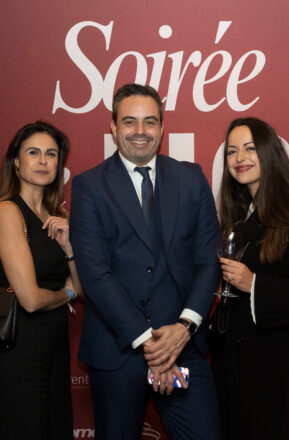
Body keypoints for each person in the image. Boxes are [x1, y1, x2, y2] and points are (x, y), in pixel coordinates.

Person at [70, 83, 222, 440]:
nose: (140, 131)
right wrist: (153, 347)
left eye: (150, 122)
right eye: (130, 121)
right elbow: (96, 275)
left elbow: (208, 261)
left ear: (162, 127)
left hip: (182, 346)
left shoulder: (191, 179)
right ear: (113, 127)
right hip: (118, 353)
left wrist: (183, 329)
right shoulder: (89, 186)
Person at [210, 117, 289, 440]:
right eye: (232, 151)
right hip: (234, 371)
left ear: (269, 152)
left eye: (250, 148)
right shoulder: (237, 217)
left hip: (278, 374)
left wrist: (255, 284)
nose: (239, 158)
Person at [0, 121, 83, 440]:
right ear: (16, 161)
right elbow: (30, 299)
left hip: (53, 346)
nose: (43, 161)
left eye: (51, 154)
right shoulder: (6, 212)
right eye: (33, 152)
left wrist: (70, 247)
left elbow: (82, 286)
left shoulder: (59, 217)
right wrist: (66, 294)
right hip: (15, 348)